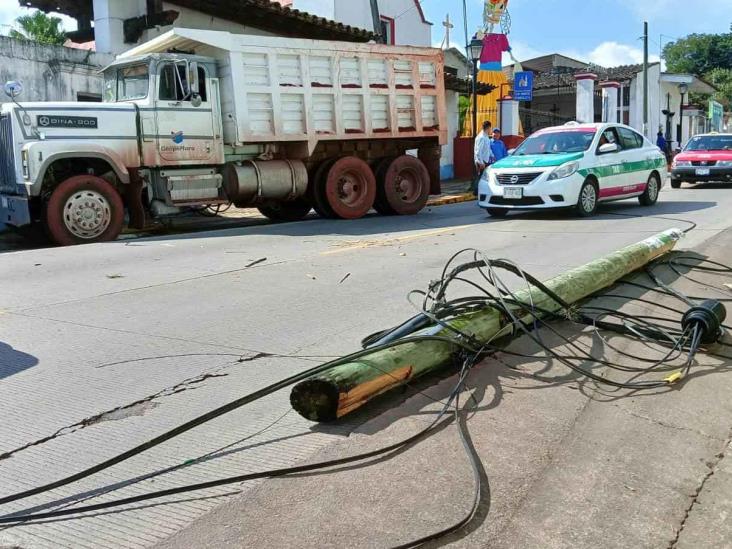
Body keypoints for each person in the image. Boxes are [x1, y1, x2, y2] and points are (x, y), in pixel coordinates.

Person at [472, 120, 494, 194]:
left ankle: (479, 191)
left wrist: (492, 155)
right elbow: (478, 151)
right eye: (490, 128)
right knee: (480, 177)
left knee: (482, 176)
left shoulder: (485, 136)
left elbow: (487, 148)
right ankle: (476, 191)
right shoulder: (481, 137)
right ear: (488, 128)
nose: (491, 130)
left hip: (484, 160)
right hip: (481, 161)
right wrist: (481, 162)